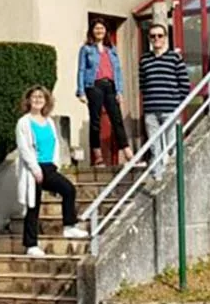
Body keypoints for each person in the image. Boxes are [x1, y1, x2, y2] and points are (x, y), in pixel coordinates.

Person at [15, 86, 87, 258]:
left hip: (49, 167)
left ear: (46, 101)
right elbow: (24, 148)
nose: (38, 100)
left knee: (68, 189)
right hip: (33, 168)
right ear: (28, 100)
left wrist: (55, 164)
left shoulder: (49, 122)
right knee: (33, 206)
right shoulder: (24, 122)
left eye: (41, 97)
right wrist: (34, 168)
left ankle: (69, 226)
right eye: (34, 97)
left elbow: (54, 144)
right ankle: (31, 245)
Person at [76, 18, 136, 166]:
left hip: (110, 86)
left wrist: (119, 91)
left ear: (106, 31)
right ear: (91, 31)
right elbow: (81, 70)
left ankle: (128, 153)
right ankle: (97, 156)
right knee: (95, 121)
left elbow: (118, 71)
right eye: (96, 28)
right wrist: (81, 91)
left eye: (101, 28)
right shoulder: (86, 49)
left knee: (117, 119)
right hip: (94, 86)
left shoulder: (112, 49)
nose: (99, 31)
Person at [139, 23, 191, 179]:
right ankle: (158, 177)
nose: (156, 39)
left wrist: (177, 104)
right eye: (153, 36)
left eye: (160, 36)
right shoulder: (144, 60)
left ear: (165, 38)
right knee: (155, 147)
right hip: (151, 110)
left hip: (171, 109)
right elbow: (143, 84)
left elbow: (185, 84)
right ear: (149, 38)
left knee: (172, 145)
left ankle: (174, 176)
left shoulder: (174, 58)